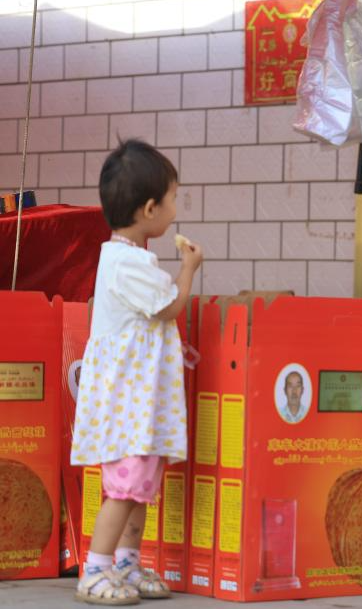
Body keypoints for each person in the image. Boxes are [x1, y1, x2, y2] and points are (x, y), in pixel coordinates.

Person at [70, 139, 203, 604]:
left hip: (135, 406)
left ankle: (126, 562)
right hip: (129, 406)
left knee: (139, 488)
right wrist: (189, 268)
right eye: (172, 199)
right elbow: (169, 306)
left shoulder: (125, 257)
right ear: (149, 208)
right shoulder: (128, 263)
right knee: (126, 489)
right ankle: (95, 570)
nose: (174, 209)